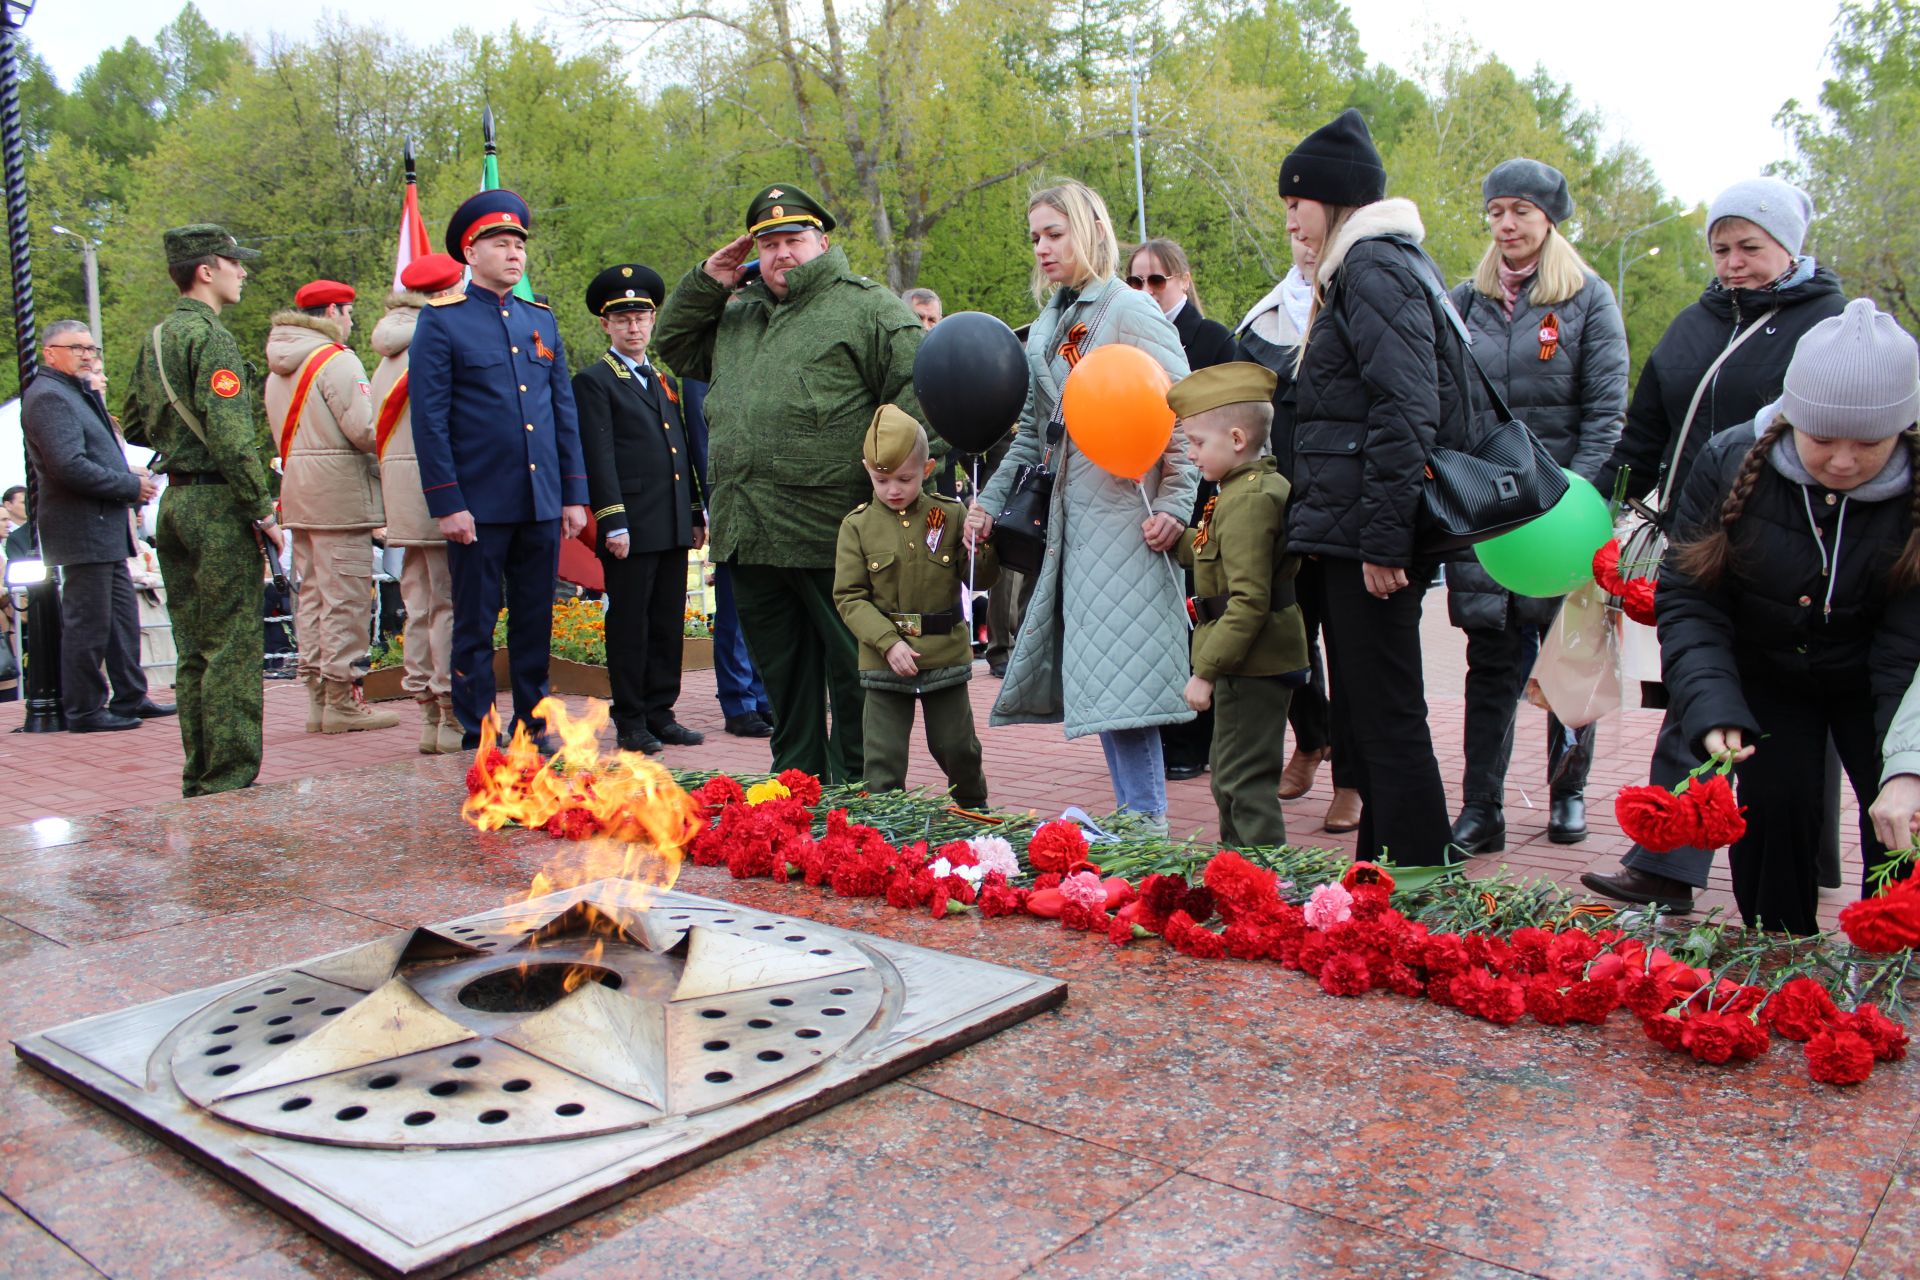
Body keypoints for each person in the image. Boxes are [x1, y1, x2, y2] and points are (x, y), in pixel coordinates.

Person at [1583, 177, 1848, 911]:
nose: (1733, 263)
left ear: (1791, 246)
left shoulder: (1826, 322)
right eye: (1722, 248)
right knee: (1700, 688)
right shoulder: (1696, 324)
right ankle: (1667, 863)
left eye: (1750, 248)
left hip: (1788, 535)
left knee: (1804, 700)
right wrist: (1597, 503)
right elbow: (1645, 429)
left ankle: (1808, 855)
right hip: (1696, 537)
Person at [1658, 299, 1920, 933]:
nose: (1843, 462)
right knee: (1776, 806)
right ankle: (1778, 952)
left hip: (1887, 673)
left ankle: (1892, 960)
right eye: (1823, 438)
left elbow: (1911, 639)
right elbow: (1691, 598)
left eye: (1870, 444)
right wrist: (1714, 704)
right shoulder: (1728, 461)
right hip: (1771, 667)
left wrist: (1909, 765)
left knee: (1901, 821)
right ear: (1788, 416)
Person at [655, 182, 928, 783]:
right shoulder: (738, 313)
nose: (782, 254)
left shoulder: (869, 308)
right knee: (784, 680)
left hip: (835, 535)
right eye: (768, 243)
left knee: (856, 676)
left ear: (822, 242)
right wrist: (708, 280)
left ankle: (865, 796)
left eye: (793, 239)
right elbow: (670, 344)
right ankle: (799, 787)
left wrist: (892, 496)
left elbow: (920, 401)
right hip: (749, 533)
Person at [964, 179, 1197, 830]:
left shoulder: (1128, 311)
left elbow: (1183, 412)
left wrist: (1176, 504)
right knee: (1103, 685)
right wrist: (985, 503)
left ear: (1090, 229)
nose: (1041, 247)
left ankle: (1146, 827)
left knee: (1124, 688)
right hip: (1074, 533)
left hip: (1129, 525)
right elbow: (1036, 433)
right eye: (1035, 236)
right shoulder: (1047, 324)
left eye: (1054, 233)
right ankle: (1136, 824)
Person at [1280, 108, 1462, 865]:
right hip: (1357, 529)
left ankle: (1422, 881)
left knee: (1388, 716)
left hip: (1372, 537)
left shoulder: (1376, 266)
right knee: (1382, 712)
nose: (1291, 219)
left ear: (1334, 199)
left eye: (1298, 203)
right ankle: (1385, 878)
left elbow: (1406, 406)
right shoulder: (1368, 264)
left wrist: (1385, 538)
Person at [1444, 160, 1628, 852]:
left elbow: (1606, 415)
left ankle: (1567, 794)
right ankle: (1480, 810)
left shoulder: (1588, 299)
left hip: (1564, 516)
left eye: (1521, 210)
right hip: (1490, 518)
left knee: (1567, 659)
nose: (1507, 224)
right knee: (1490, 664)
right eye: (1496, 212)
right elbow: (1451, 407)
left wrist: (1567, 501)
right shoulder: (1466, 300)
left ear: (1549, 217)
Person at [409, 190, 589, 750]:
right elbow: (430, 420)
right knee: (475, 625)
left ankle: (533, 724)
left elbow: (562, 414)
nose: (514, 254)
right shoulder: (443, 322)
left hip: (538, 500)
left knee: (535, 619)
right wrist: (447, 501)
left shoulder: (541, 321)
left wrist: (573, 494)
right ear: (470, 252)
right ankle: (480, 729)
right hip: (478, 505)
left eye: (519, 245)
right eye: (500, 244)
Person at [121, 224, 280, 797]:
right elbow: (234, 438)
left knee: (193, 651)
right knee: (232, 648)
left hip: (175, 503)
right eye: (235, 263)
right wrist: (262, 510)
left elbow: (135, 423)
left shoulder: (157, 337)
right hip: (217, 503)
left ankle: (201, 771)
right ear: (206, 270)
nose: (244, 272)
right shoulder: (211, 339)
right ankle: (229, 780)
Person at [1236, 234, 1361, 832]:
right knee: (1291, 638)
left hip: (1344, 510)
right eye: (1290, 229)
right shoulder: (1263, 320)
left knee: (1347, 645)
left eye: (1309, 227)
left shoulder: (1361, 302)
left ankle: (1352, 780)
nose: (1302, 242)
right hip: (1280, 510)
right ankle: (1311, 740)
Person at [1170, 362, 1307, 845]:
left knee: (1245, 782)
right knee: (1228, 779)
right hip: (1242, 658)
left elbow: (1248, 599)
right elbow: (1215, 554)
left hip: (1253, 660)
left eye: (1197, 443)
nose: (1190, 454)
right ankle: (1239, 876)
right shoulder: (1236, 490)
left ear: (1235, 438)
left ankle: (1264, 890)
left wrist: (1204, 670)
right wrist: (1177, 539)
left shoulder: (1250, 499)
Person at [575, 263, 707, 754]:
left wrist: (694, 512)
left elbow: (682, 451)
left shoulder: (664, 380)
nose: (634, 327)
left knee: (667, 623)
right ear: (606, 324)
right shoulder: (595, 381)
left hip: (670, 523)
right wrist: (612, 520)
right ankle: (631, 720)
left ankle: (661, 712)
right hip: (629, 525)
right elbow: (600, 456)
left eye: (642, 317)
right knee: (630, 625)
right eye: (623, 318)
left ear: (653, 321)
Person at [834, 405, 996, 806]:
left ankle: (976, 814)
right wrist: (888, 642)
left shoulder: (949, 514)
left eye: (905, 479)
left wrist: (980, 545)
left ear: (928, 469)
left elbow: (981, 579)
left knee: (957, 749)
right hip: (884, 658)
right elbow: (849, 598)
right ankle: (886, 838)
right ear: (866, 470)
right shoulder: (857, 526)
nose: (893, 489)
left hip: (943, 655)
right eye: (881, 479)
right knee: (883, 760)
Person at [21, 320, 173, 731]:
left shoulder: (76, 393)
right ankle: (85, 709)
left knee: (121, 619)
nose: (88, 355)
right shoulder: (50, 396)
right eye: (77, 348)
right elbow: (68, 466)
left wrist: (130, 480)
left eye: (92, 348)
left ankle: (130, 695)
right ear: (50, 352)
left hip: (103, 524)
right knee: (87, 622)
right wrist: (129, 486)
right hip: (82, 526)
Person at [1128, 236, 1236, 783]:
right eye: (1136, 281)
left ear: (1183, 281)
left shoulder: (1213, 339)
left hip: (1204, 493)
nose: (1146, 290)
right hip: (1144, 490)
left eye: (1157, 280)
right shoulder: (1128, 341)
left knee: (1204, 611)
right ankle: (1167, 729)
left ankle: (1199, 736)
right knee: (1163, 615)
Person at [267, 278, 396, 735]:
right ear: (335, 312)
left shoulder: (281, 364)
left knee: (315, 597)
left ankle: (320, 698)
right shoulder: (335, 360)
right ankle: (342, 698)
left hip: (301, 493)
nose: (351, 321)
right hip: (340, 494)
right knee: (345, 598)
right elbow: (365, 429)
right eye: (348, 312)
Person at [371, 251, 465, 754]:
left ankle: (430, 712)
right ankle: (450, 712)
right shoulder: (437, 341)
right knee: (448, 604)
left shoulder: (386, 354)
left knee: (420, 606)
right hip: (439, 493)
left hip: (401, 498)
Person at [678, 376, 773, 739]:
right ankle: (739, 703)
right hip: (731, 501)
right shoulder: (705, 368)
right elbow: (704, 446)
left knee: (766, 608)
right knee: (736, 608)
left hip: (769, 499)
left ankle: (763, 698)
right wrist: (715, 506)